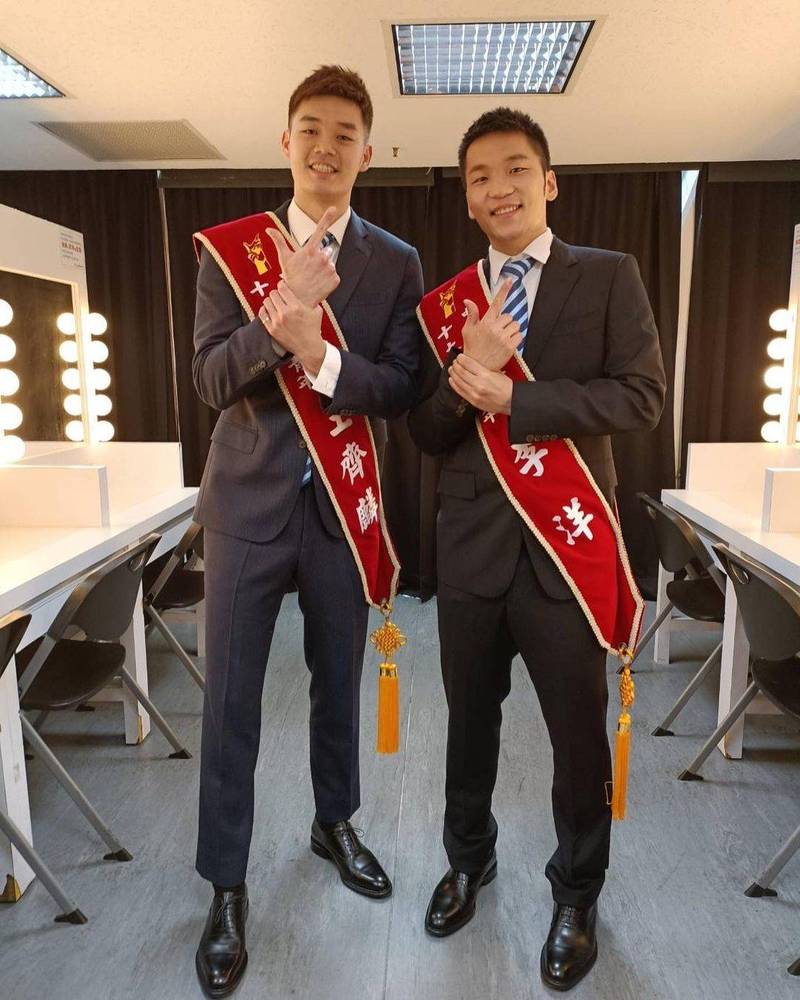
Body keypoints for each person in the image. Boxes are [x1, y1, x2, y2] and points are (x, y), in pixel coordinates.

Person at [408, 107, 666, 992]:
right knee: (468, 727)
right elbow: (426, 432)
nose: (499, 188)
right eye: (480, 177)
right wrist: (463, 378)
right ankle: (467, 861)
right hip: (472, 552)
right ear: (468, 199)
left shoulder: (609, 275)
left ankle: (576, 893)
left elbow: (640, 398)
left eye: (516, 169)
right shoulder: (445, 306)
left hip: (569, 549)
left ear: (548, 182)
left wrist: (519, 400)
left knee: (577, 740)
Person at [191, 65, 422, 998]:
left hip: (339, 511)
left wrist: (320, 355)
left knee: (339, 685)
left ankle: (335, 824)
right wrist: (277, 313)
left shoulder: (394, 260)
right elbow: (212, 379)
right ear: (287, 142)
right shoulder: (232, 251)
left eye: (345, 135)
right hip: (244, 509)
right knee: (231, 703)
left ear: (368, 153)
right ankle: (226, 884)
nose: (327, 148)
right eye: (311, 130)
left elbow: (400, 386)